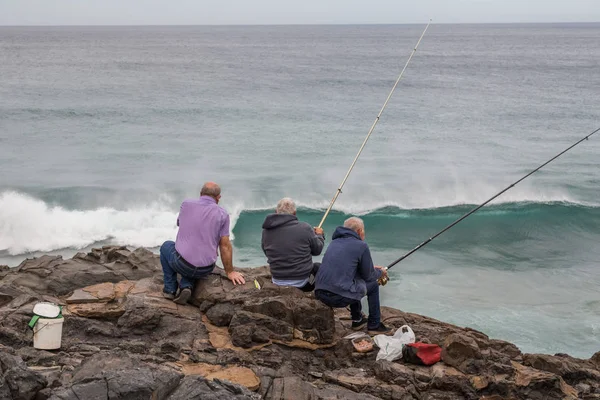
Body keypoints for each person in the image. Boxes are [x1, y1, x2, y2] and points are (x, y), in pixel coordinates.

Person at [160, 182, 245, 304]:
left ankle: (170, 289)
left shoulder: (186, 204)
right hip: (205, 269)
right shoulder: (223, 214)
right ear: (218, 197)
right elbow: (225, 246)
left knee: (166, 246)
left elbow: (180, 223)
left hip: (182, 264)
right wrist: (230, 272)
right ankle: (186, 286)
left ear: (200, 194)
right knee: (194, 262)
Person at [315, 217, 391, 334]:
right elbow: (369, 276)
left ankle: (358, 319)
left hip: (320, 293)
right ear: (360, 231)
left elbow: (349, 266)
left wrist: (372, 268)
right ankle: (374, 325)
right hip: (337, 298)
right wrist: (381, 272)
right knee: (374, 285)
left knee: (353, 279)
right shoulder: (361, 246)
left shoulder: (334, 242)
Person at [261, 197, 325, 292]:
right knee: (318, 268)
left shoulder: (266, 231)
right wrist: (319, 235)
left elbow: (267, 252)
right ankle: (313, 290)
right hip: (304, 285)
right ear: (294, 213)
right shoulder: (305, 228)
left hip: (277, 281)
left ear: (276, 212)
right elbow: (317, 250)